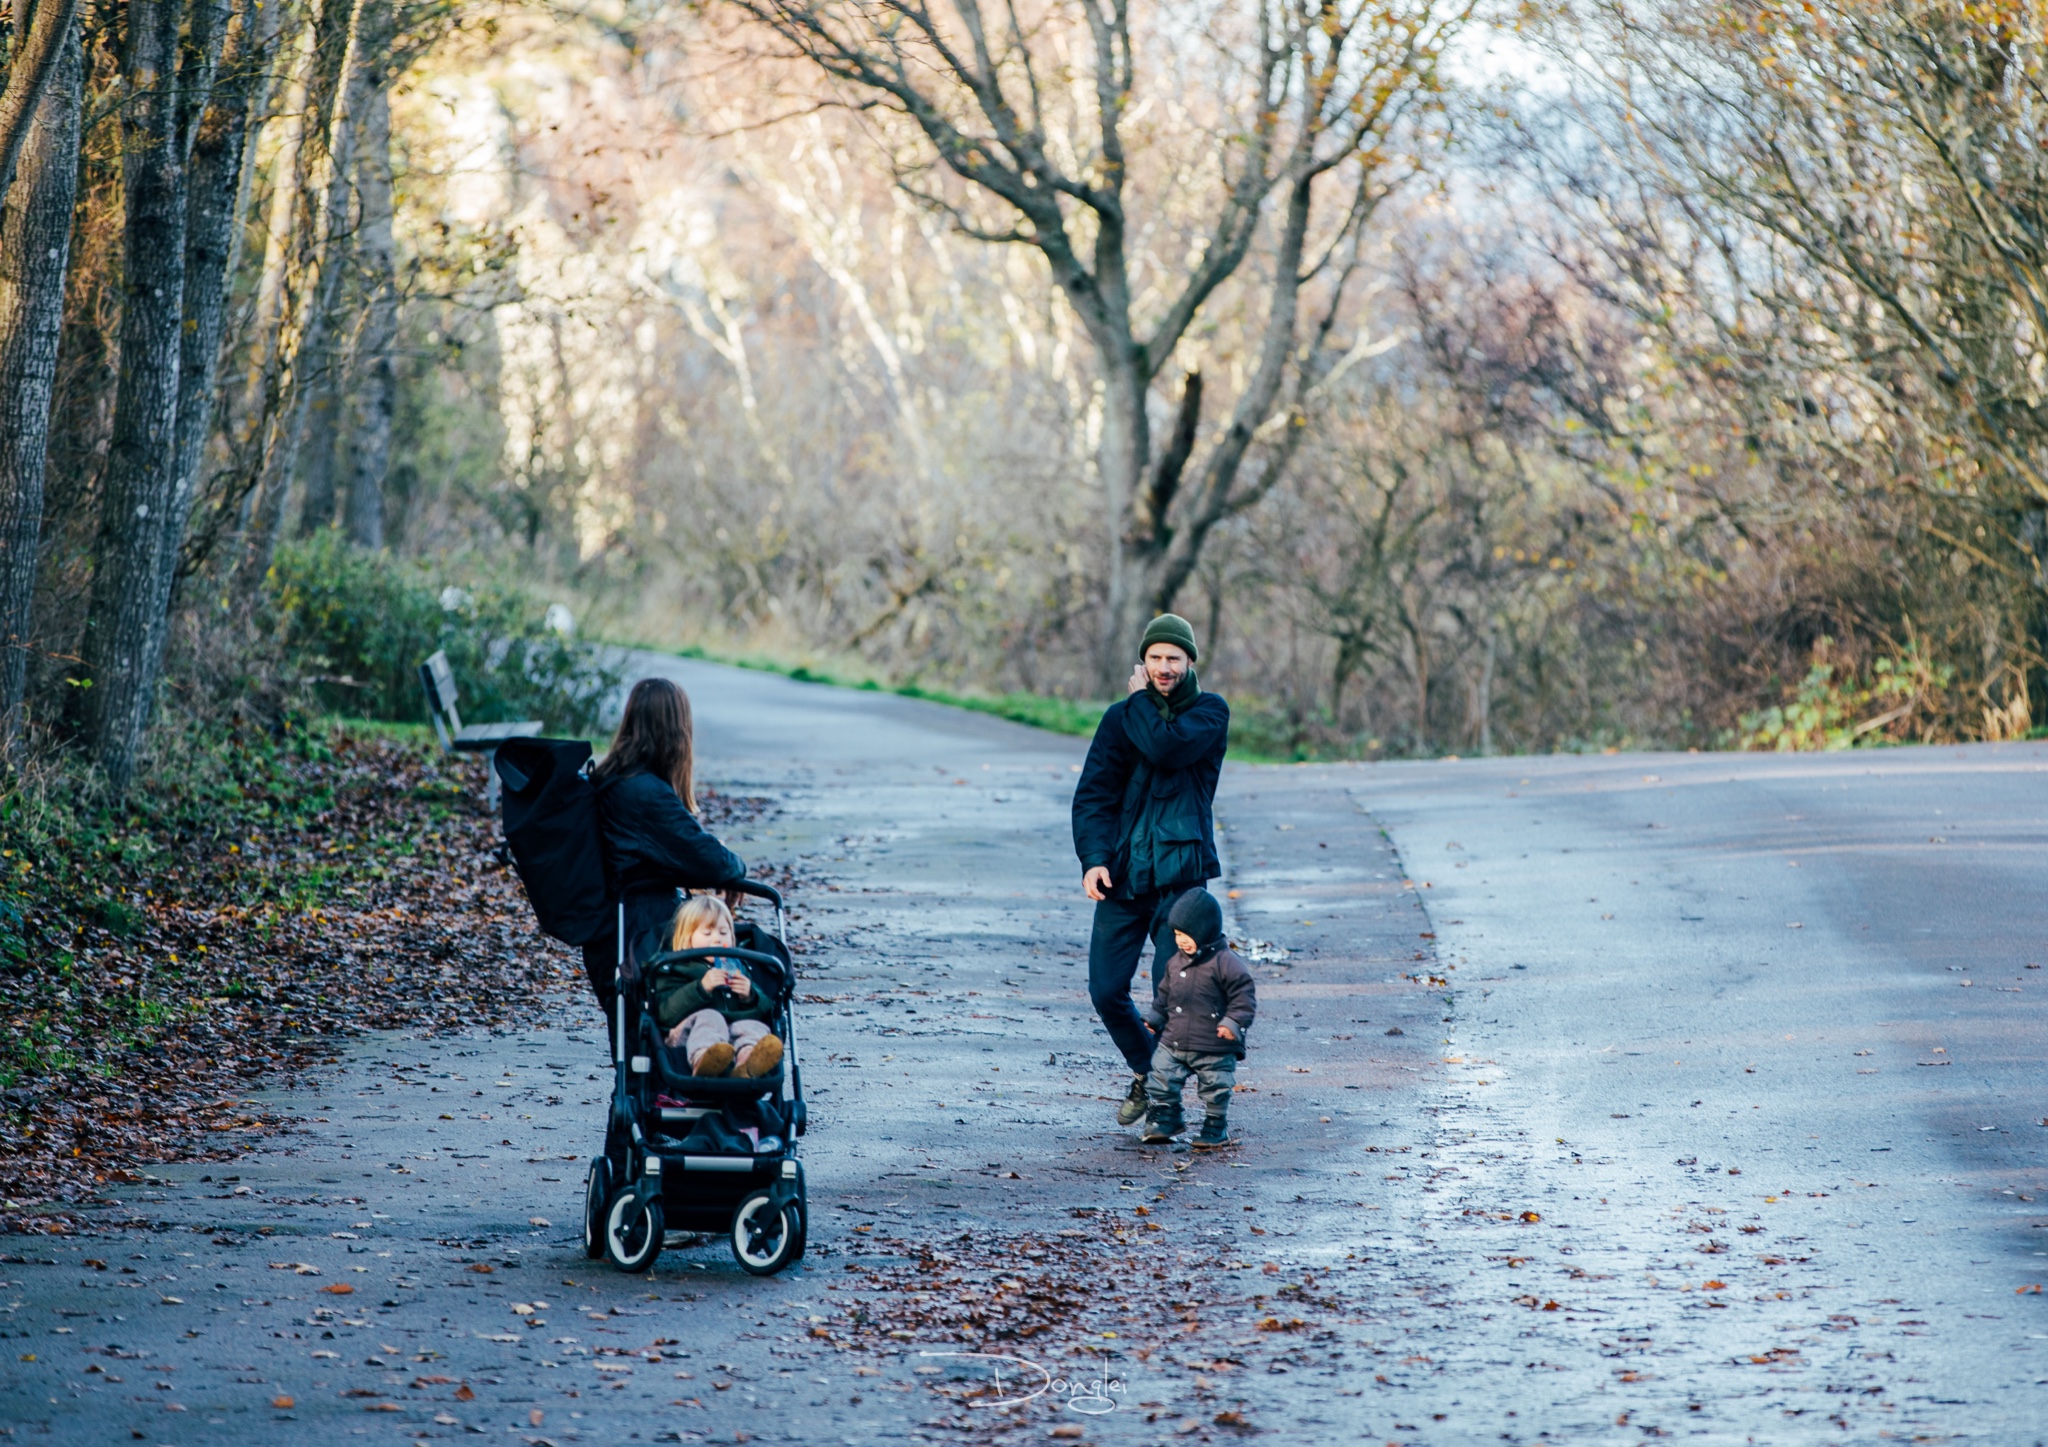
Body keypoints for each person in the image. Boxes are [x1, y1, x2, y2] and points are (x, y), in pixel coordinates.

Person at [1070, 613, 1230, 1127]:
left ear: (1189, 663)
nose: (1164, 667)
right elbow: (1094, 793)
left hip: (1181, 883)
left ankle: (1165, 1106)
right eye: (1155, 658)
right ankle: (1149, 1073)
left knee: (1175, 997)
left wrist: (1139, 700)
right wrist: (1093, 859)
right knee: (1105, 990)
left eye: (1173, 659)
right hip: (1123, 878)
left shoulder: (1209, 713)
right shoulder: (1120, 718)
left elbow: (1167, 745)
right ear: (1144, 661)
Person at [582, 678, 746, 1026]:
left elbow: (661, 851)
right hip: (641, 932)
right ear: (676, 730)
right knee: (655, 1043)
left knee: (634, 1051)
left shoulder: (612, 778)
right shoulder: (645, 793)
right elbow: (710, 858)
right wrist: (735, 870)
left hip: (612, 927)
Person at [1141, 889, 1255, 1149]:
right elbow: (1165, 995)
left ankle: (1215, 1127)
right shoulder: (1175, 963)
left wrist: (1232, 1023)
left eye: (1186, 934)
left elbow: (1243, 999)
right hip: (1176, 1039)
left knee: (1215, 1087)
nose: (1181, 941)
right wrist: (1155, 1018)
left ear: (1204, 930)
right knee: (1160, 1076)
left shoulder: (1227, 963)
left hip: (1214, 1042)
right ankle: (1168, 1119)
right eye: (1177, 934)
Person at [650, 894, 783, 1079]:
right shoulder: (677, 967)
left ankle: (747, 1064)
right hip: (687, 1034)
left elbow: (766, 1009)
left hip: (733, 1034)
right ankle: (705, 1061)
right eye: (707, 933)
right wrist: (701, 988)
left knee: (753, 1026)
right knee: (711, 1017)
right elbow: (665, 1013)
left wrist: (750, 995)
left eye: (723, 932)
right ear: (687, 938)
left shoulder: (740, 966)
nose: (717, 939)